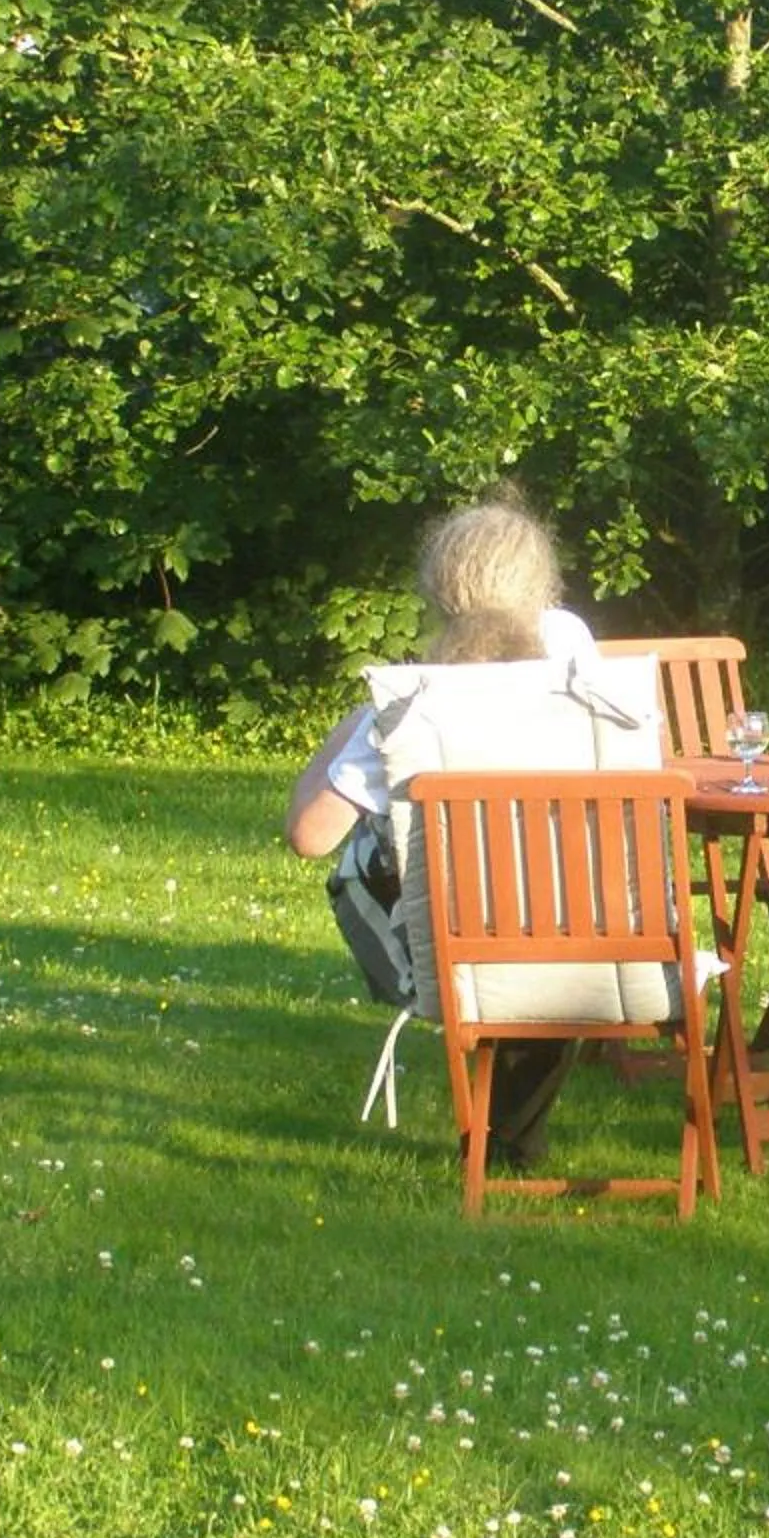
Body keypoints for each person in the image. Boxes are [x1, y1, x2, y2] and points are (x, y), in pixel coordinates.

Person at [285, 498, 595, 1166]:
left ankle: (502, 1133)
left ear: (435, 593)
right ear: (544, 587)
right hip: (589, 935)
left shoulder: (407, 707)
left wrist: (348, 732)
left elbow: (309, 835)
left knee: (367, 858)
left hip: (453, 941)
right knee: (539, 884)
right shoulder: (579, 666)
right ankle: (511, 1131)